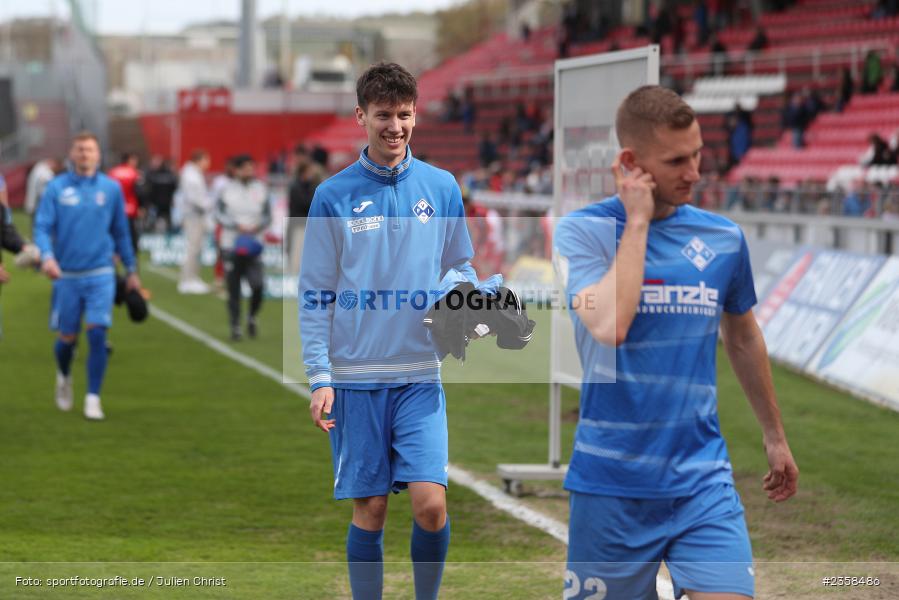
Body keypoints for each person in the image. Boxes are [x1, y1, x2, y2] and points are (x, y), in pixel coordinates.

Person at [554, 86, 798, 599]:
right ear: (630, 162)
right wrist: (638, 221)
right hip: (610, 485)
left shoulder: (723, 238)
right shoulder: (582, 233)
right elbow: (610, 327)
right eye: (676, 161)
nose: (694, 172)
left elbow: (743, 335)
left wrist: (774, 435)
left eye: (698, 155)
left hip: (701, 480)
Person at [300, 62, 479, 600]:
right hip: (355, 379)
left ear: (415, 115)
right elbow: (315, 295)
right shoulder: (332, 197)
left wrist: (464, 297)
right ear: (361, 116)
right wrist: (319, 376)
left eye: (404, 115)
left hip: (420, 375)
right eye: (383, 115)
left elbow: (462, 266)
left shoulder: (442, 187)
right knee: (372, 509)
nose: (394, 126)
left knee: (431, 505)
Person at [33, 131, 141, 420]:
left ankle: (93, 397)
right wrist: (47, 256)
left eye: (90, 150)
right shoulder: (56, 188)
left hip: (101, 273)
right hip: (66, 275)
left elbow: (121, 231)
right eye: (80, 149)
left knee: (97, 333)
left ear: (98, 155)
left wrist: (131, 270)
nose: (85, 154)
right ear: (72, 153)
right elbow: (42, 227)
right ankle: (64, 375)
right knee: (67, 338)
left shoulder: (112, 188)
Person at [215, 154, 270, 341]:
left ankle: (252, 316)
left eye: (251, 167)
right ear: (236, 170)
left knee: (258, 285)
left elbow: (268, 215)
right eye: (245, 168)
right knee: (233, 287)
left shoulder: (261, 189)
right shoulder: (226, 190)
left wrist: (258, 226)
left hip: (254, 244)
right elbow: (218, 214)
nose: (249, 171)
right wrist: (235, 225)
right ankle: (235, 325)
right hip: (231, 244)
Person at [177, 149, 212, 294]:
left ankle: (194, 277)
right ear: (199, 160)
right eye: (206, 160)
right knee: (192, 248)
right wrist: (208, 204)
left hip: (197, 215)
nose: (208, 163)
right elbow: (194, 198)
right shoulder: (190, 175)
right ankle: (186, 280)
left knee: (197, 248)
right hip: (193, 216)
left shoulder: (194, 174)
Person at [287, 145, 325, 275]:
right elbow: (306, 203)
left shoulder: (312, 183)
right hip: (300, 224)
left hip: (311, 224)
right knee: (297, 258)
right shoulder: (297, 187)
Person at [107, 152, 143, 259]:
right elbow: (140, 192)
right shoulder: (135, 173)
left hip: (115, 211)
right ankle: (132, 269)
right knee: (131, 241)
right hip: (130, 211)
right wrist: (141, 207)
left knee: (114, 240)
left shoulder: (112, 173)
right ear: (129, 160)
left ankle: (114, 269)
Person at [145, 156, 178, 233]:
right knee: (167, 223)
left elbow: (150, 190)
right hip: (165, 203)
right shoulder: (170, 175)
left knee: (156, 223)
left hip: (158, 203)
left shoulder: (153, 175)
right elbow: (174, 187)